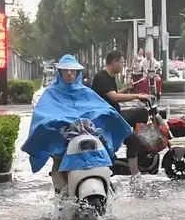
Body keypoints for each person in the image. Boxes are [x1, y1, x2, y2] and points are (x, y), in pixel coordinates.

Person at [22, 55, 133, 190]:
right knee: (58, 162)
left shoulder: (86, 92)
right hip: (62, 140)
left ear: (77, 72)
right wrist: (56, 123)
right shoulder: (51, 94)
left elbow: (101, 107)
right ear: (60, 72)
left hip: (87, 136)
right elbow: (43, 114)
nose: (69, 73)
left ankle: (105, 180)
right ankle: (61, 191)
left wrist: (109, 115)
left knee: (101, 152)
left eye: (72, 70)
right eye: (65, 70)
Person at [91, 50, 154, 175]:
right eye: (122, 62)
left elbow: (112, 94)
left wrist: (127, 89)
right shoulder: (101, 77)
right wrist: (137, 96)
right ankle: (135, 174)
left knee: (142, 113)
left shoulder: (109, 77)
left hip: (114, 115)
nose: (123, 65)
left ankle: (140, 149)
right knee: (133, 140)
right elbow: (114, 97)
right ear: (114, 62)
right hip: (107, 120)